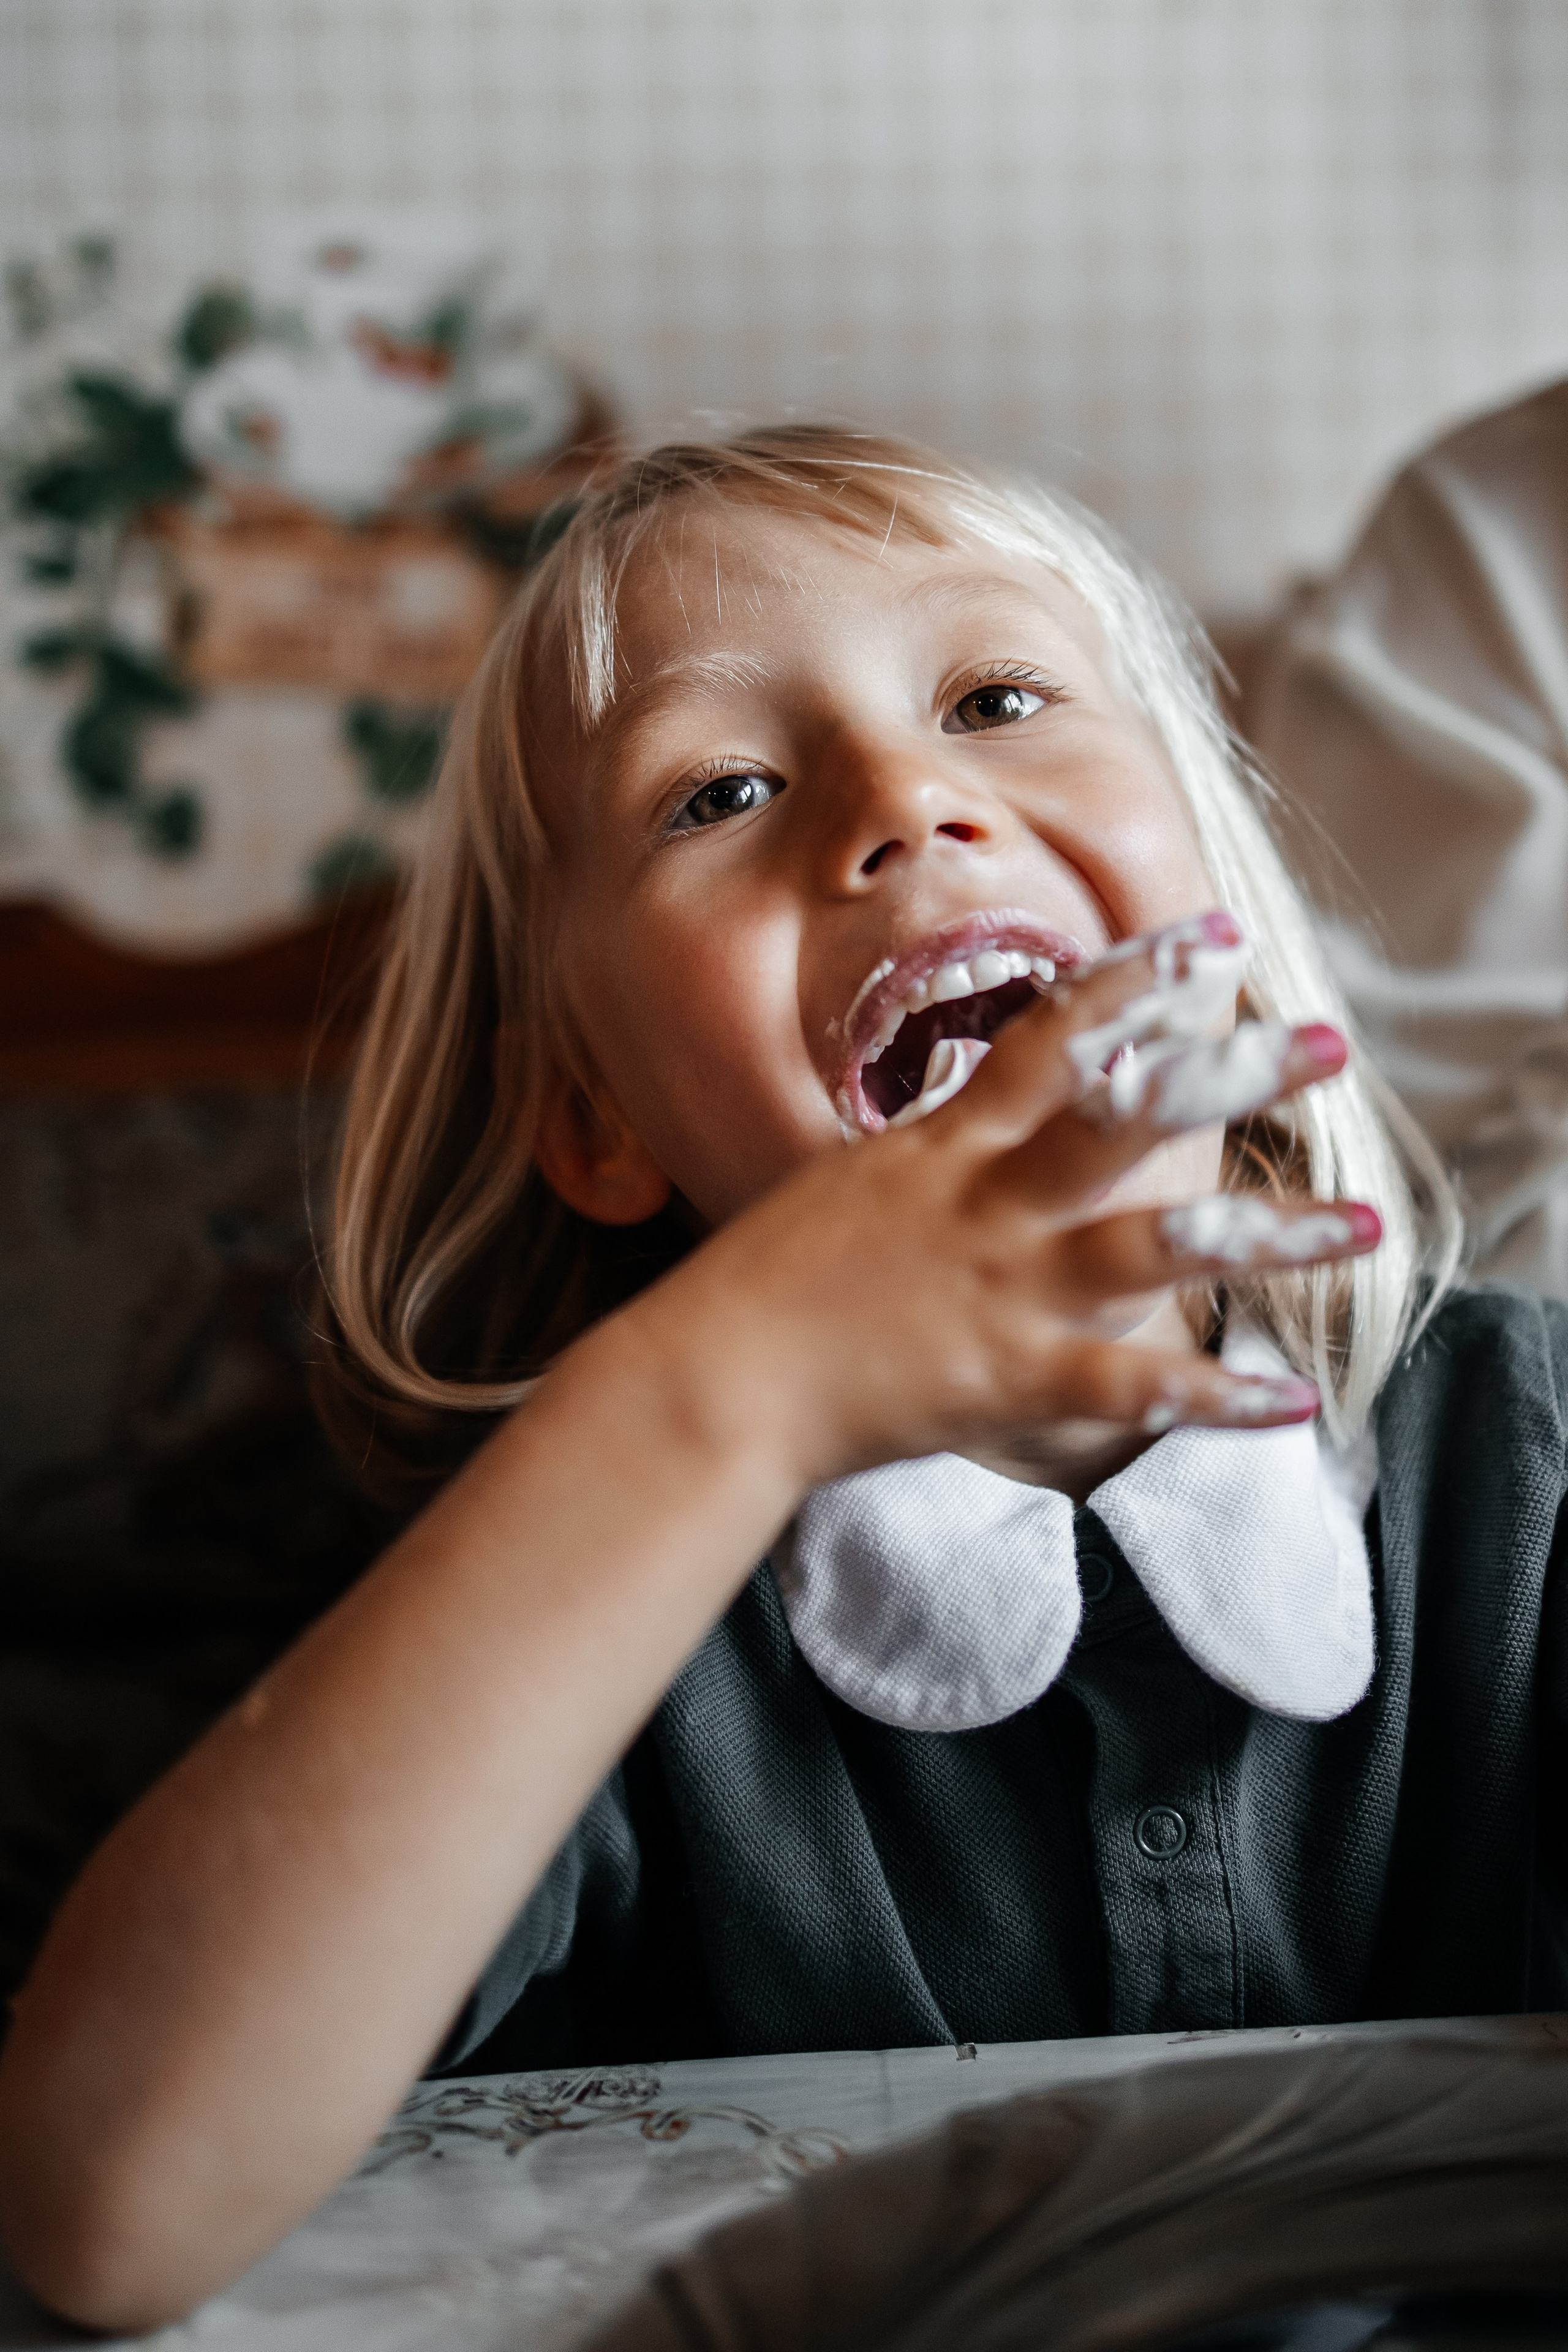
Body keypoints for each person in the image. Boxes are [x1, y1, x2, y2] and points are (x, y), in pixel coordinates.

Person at [1, 428, 1562, 2337]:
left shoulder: (1531, 1464)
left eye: (997, 697)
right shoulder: (585, 1578)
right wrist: (721, 1390)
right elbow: (110, 2205)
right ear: (593, 1115)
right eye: (718, 789)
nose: (904, 797)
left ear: (1219, 897)